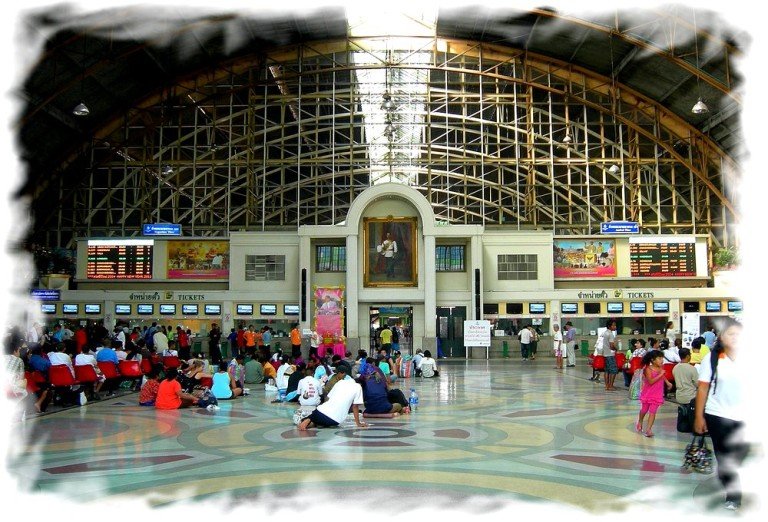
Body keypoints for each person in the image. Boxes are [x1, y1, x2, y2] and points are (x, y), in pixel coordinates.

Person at [694, 318, 747, 511]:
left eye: (738, 334)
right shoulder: (712, 358)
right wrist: (699, 416)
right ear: (721, 336)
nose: (734, 337)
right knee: (725, 456)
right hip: (717, 414)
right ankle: (733, 495)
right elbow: (702, 388)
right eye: (730, 334)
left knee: (740, 455)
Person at [298, 364, 367, 430]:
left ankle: (308, 419)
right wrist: (358, 423)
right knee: (318, 422)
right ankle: (310, 421)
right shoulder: (358, 387)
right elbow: (355, 407)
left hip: (321, 412)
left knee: (311, 417)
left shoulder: (340, 382)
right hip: (335, 421)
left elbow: (328, 398)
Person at [635, 349, 673, 437]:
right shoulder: (648, 369)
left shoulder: (660, 367)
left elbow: (662, 376)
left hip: (657, 393)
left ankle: (648, 430)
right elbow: (651, 381)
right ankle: (640, 421)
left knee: (653, 411)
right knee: (644, 409)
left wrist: (667, 382)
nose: (662, 360)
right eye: (659, 358)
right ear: (653, 360)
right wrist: (661, 374)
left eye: (662, 358)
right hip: (648, 393)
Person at [596, 319, 619, 391]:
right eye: (613, 325)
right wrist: (616, 349)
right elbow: (611, 346)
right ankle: (611, 386)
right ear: (609, 326)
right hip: (610, 354)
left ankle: (607, 386)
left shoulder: (605, 333)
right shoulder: (610, 334)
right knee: (613, 370)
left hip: (605, 354)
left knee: (606, 371)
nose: (615, 327)